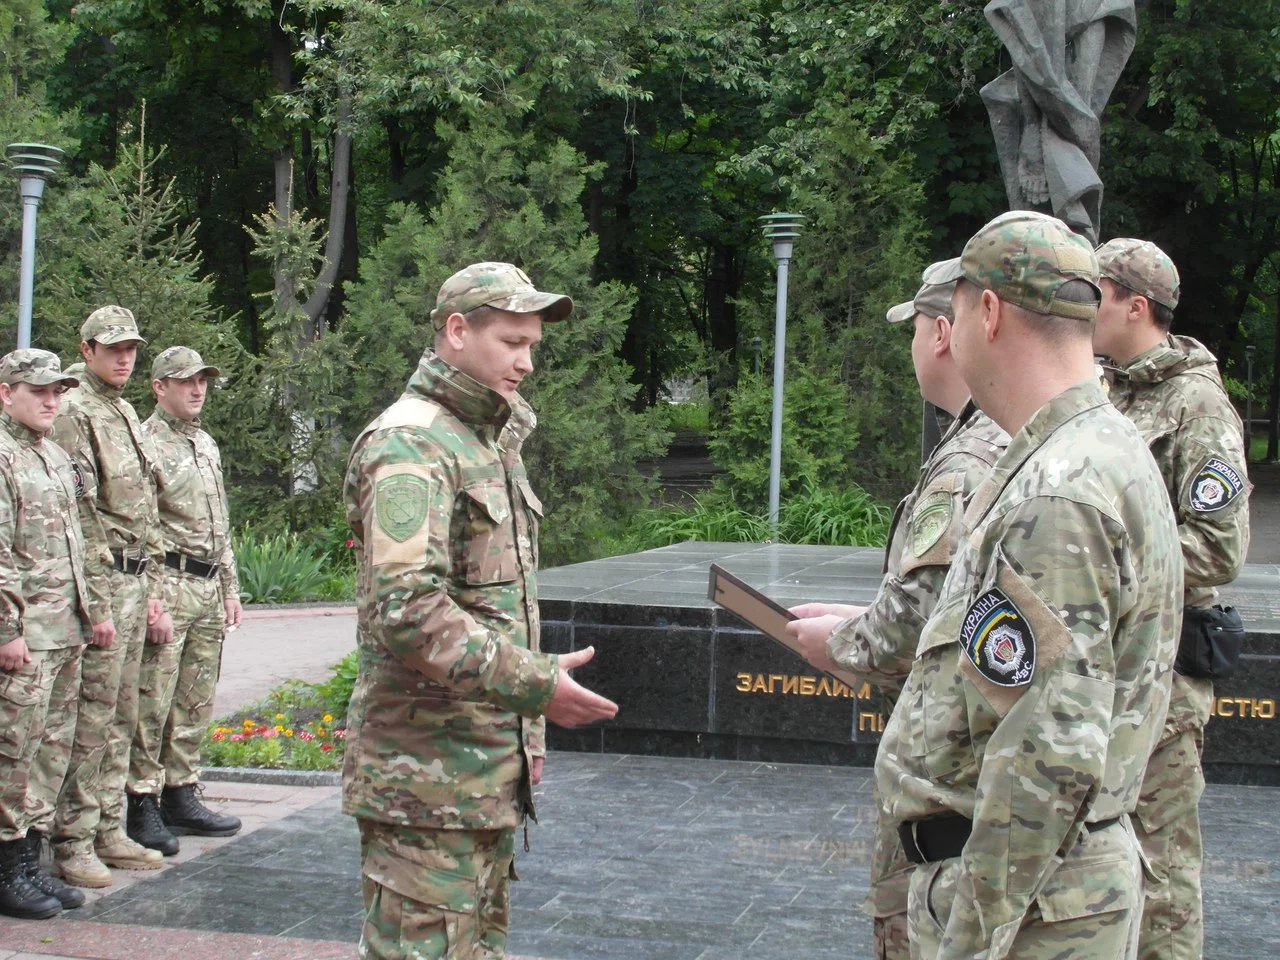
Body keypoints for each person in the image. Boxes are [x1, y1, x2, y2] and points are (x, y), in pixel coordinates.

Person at [799, 211, 1181, 958]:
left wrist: (970, 941)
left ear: (989, 313)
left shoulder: (1058, 491)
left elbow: (1046, 762)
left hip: (1028, 915)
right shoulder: (1093, 448)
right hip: (1048, 896)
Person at [343, 262, 619, 960]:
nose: (526, 363)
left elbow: (495, 608)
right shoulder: (412, 442)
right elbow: (407, 609)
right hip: (423, 780)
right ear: (457, 331)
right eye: (511, 343)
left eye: (533, 346)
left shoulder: (485, 437)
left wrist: (526, 740)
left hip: (478, 772)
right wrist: (535, 685)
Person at [786, 273, 1009, 959]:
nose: (911, 348)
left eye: (912, 330)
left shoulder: (967, 459)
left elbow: (915, 625)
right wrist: (866, 613)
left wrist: (842, 643)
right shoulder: (1003, 437)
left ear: (941, 333)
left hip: (947, 779)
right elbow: (960, 606)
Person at [1093, 238, 1250, 960]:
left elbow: (1219, 548)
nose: (1081, 308)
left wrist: (1104, 563)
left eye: (1095, 294)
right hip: (1106, 661)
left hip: (1164, 676)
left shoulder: (1198, 404)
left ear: (1136, 305)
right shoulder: (1103, 389)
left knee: (1161, 873)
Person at [49, 305, 172, 887]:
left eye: (131, 349)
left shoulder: (120, 408)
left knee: (123, 712)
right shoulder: (74, 409)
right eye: (113, 349)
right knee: (91, 716)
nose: (125, 358)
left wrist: (152, 589)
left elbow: (143, 505)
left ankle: (107, 828)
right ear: (87, 349)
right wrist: (97, 601)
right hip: (104, 580)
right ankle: (71, 840)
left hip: (135, 578)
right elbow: (82, 513)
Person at [125, 347, 243, 858]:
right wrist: (153, 600)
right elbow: (141, 526)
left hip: (207, 585)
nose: (197, 390)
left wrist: (231, 588)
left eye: (202, 381)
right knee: (153, 699)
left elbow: (220, 523)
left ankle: (181, 792)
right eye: (185, 381)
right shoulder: (145, 443)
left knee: (195, 698)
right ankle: (141, 802)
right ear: (159, 387)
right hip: (169, 582)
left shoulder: (205, 443)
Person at [0, 350, 93, 919]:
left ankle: (29, 861)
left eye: (57, 391)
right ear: (6, 393)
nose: (51, 401)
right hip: (26, 636)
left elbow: (79, 542)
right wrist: (7, 629)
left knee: (50, 751)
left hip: (64, 629)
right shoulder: (3, 456)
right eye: (38, 391)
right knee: (13, 752)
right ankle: (6, 869)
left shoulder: (55, 455)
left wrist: (92, 612)